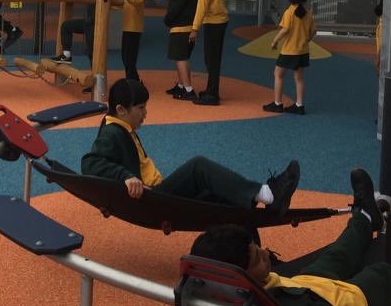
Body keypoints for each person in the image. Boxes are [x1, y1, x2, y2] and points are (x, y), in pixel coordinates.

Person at [190, 169, 391, 306]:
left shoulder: (238, 292)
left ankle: (365, 218)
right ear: (241, 278)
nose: (265, 252)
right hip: (346, 305)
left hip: (301, 286)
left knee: (338, 253)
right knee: (380, 276)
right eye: (257, 258)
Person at [82, 78, 300, 214]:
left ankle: (249, 250)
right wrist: (125, 177)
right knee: (198, 167)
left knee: (219, 195)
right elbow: (89, 164)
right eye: (140, 108)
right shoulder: (112, 132)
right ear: (121, 110)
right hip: (151, 201)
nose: (145, 113)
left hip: (156, 192)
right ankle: (268, 194)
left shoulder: (119, 126)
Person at [263, 0, 315, 115]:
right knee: (299, 78)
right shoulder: (308, 14)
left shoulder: (289, 12)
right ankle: (299, 105)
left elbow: (285, 29)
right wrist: (306, 40)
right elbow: (313, 32)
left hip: (289, 51)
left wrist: (275, 41)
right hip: (303, 51)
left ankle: (277, 103)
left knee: (278, 74)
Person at [189, 0, 228, 106]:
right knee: (213, 58)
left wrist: (194, 28)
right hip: (219, 22)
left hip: (213, 23)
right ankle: (211, 90)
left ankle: (212, 94)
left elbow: (202, 7)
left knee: (211, 59)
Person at [53, 0, 101, 64]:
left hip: (95, 26)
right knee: (66, 26)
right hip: (87, 23)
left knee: (91, 51)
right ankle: (66, 55)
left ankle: (97, 76)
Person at [164, 0, 199, 100]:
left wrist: (168, 19)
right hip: (190, 25)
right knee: (183, 57)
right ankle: (180, 85)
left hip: (180, 26)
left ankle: (188, 89)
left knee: (180, 58)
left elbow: (176, 6)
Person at [120, 0, 145, 81]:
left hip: (134, 29)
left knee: (129, 58)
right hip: (127, 28)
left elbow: (139, 0)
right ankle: (132, 78)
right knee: (125, 56)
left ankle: (133, 79)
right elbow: (121, 5)